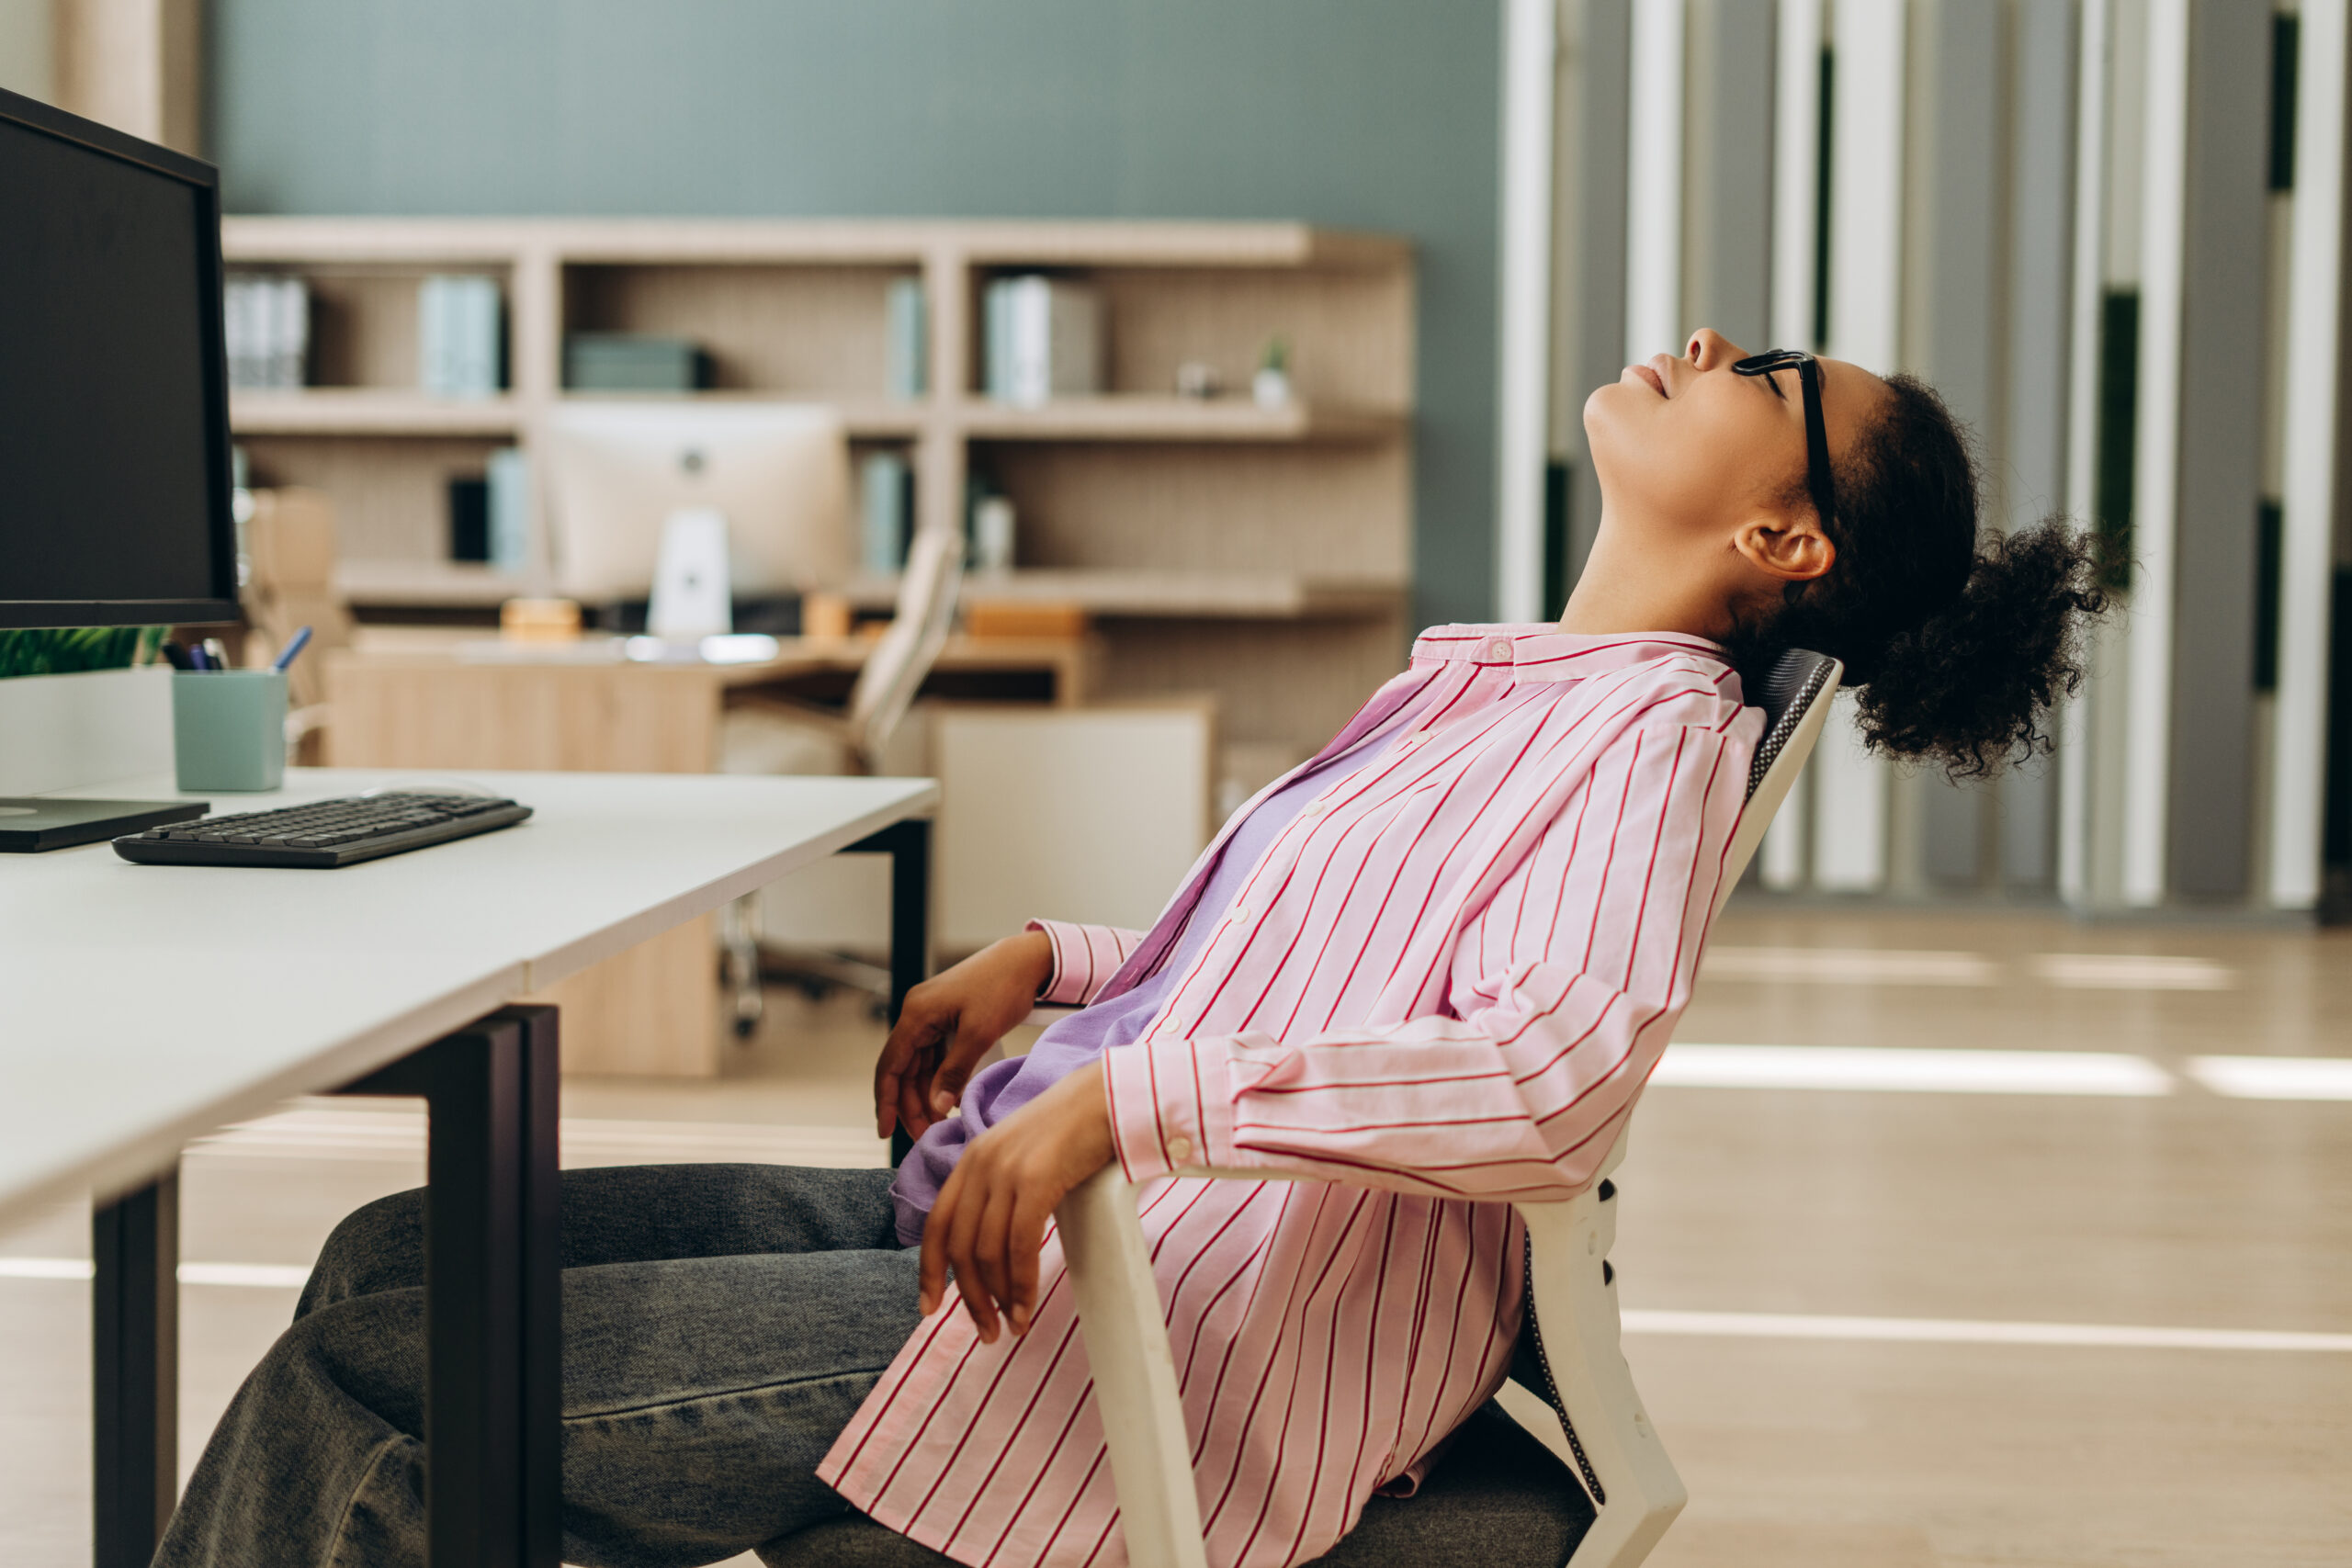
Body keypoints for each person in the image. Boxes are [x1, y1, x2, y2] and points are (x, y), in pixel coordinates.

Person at [155, 331, 2105, 1568]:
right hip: (1051, 1223)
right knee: (396, 1252)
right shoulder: (1519, 687)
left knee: (378, 1374)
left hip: (1143, 1315)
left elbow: (1545, 1069)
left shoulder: (1649, 739)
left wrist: (1122, 1103)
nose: (1700, 345)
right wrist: (1061, 959)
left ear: (1785, 543)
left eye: (1765, 373)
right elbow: (1308, 954)